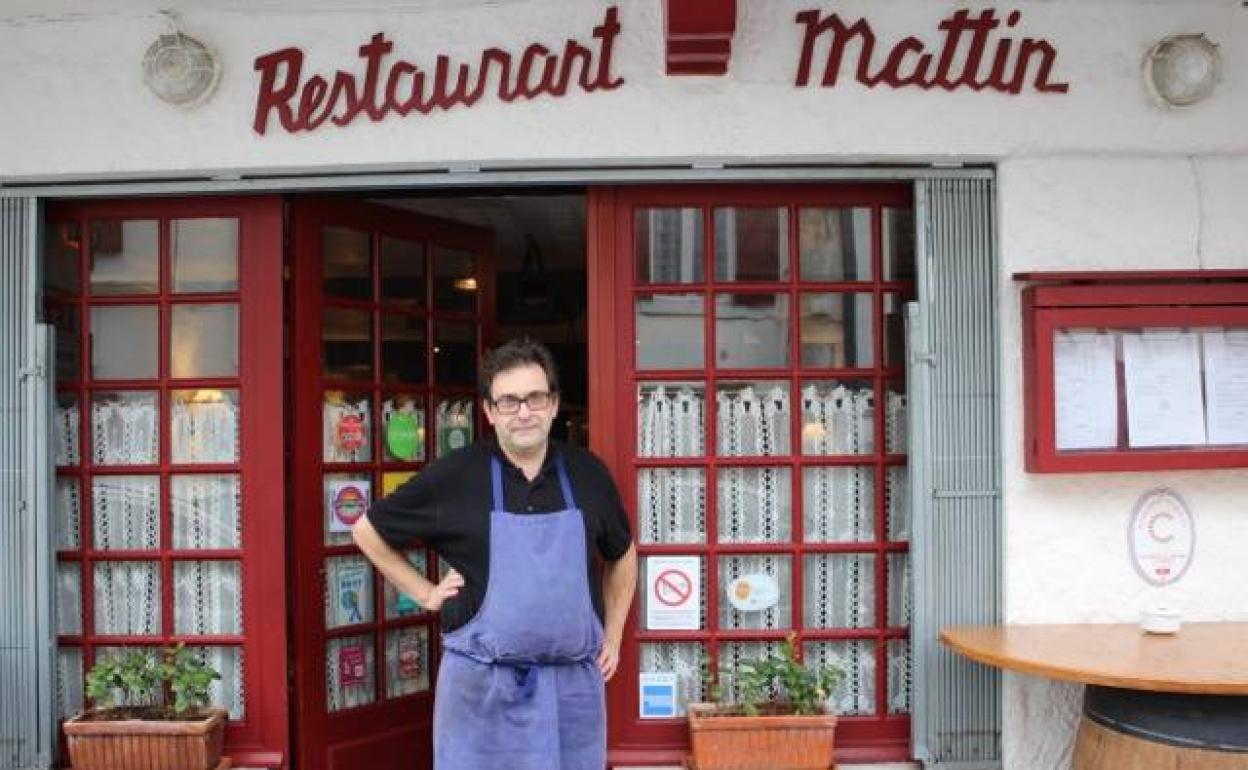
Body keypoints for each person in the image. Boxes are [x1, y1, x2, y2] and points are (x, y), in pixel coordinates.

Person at [353, 337, 637, 770]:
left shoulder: (588, 473)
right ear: (488, 411)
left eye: (535, 397)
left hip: (572, 693)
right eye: (509, 401)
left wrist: (613, 634)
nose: (524, 412)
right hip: (480, 690)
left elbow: (622, 553)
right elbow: (367, 531)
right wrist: (425, 592)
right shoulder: (456, 475)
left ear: (555, 404)